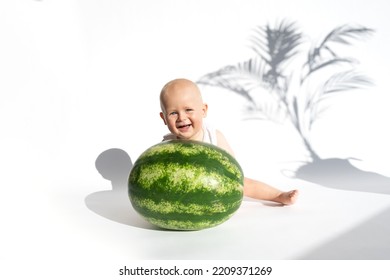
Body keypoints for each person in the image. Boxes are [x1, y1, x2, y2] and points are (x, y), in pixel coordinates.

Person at [159, 78, 298, 205]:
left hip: (214, 185)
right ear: (164, 118)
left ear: (203, 110)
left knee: (243, 184)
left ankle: (278, 195)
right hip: (185, 191)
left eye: (188, 110)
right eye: (173, 113)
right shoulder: (167, 145)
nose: (181, 117)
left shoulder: (213, 136)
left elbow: (232, 169)